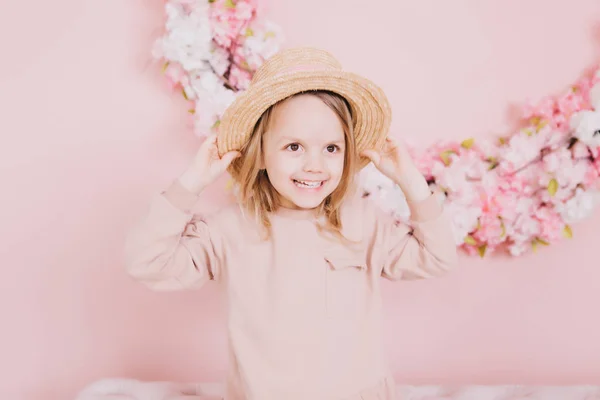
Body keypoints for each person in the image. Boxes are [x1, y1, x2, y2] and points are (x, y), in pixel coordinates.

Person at [124, 47, 458, 400]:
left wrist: (411, 183)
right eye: (294, 147)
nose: (314, 165)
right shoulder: (230, 230)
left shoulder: (363, 223)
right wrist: (190, 183)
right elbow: (146, 263)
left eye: (331, 148)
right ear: (262, 152)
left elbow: (437, 258)